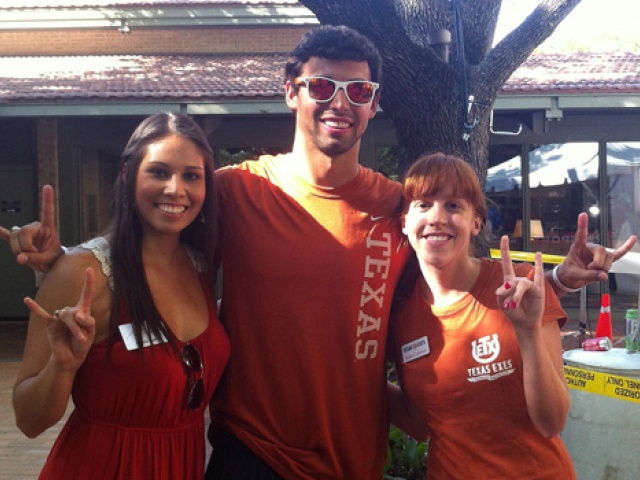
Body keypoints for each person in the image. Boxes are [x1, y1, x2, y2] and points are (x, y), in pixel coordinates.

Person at [1, 26, 636, 480]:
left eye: (358, 92)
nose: (341, 102)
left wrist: (565, 282)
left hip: (357, 459)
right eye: (322, 86)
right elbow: (153, 224)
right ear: (290, 92)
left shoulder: (399, 207)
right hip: (255, 456)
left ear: (375, 104)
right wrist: (65, 254)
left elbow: (461, 258)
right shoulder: (234, 192)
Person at [8, 112, 230, 479]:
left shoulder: (202, 264)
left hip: (182, 464)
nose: (176, 189)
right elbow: (29, 421)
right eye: (158, 172)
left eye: (192, 175)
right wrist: (61, 368)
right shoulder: (81, 273)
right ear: (128, 175)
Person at [388, 153, 576, 479]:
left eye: (453, 206)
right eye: (423, 204)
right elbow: (420, 424)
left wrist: (528, 332)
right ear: (404, 222)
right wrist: (351, 376)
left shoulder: (521, 286)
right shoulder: (401, 315)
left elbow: (551, 423)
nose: (437, 217)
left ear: (476, 222)